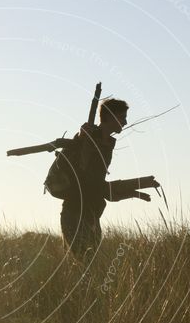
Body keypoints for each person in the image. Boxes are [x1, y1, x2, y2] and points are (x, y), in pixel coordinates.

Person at [58, 98, 159, 260]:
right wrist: (80, 136)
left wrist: (135, 191)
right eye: (122, 117)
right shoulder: (87, 138)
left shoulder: (107, 144)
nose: (125, 122)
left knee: (90, 266)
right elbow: (90, 182)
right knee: (86, 265)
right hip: (75, 214)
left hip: (92, 216)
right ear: (111, 117)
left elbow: (99, 187)